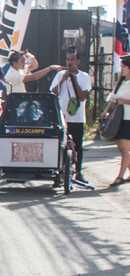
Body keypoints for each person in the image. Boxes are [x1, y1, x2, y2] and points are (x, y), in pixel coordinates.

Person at [50, 49, 91, 184]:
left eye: (73, 59)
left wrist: (73, 80)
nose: (69, 62)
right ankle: (59, 172)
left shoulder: (84, 76)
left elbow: (83, 96)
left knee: (78, 145)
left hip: (77, 117)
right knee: (60, 144)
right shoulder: (60, 75)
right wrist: (62, 80)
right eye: (68, 59)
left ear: (78, 61)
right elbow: (53, 93)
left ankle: (78, 171)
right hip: (62, 117)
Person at [102, 61, 130, 188]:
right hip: (119, 119)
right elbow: (113, 99)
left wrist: (124, 101)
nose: (122, 69)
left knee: (124, 147)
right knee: (120, 147)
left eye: (124, 66)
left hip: (128, 118)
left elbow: (122, 99)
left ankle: (120, 177)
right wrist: (106, 111)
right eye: (121, 67)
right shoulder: (121, 83)